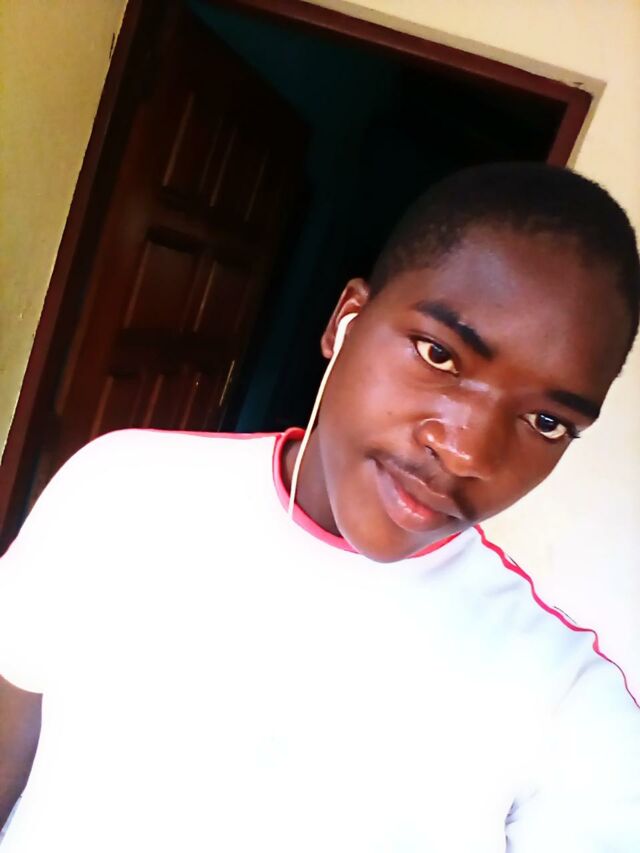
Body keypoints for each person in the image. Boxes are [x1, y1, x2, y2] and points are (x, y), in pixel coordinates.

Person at [0, 162, 639, 851]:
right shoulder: (122, 489)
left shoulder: (565, 699)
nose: (465, 452)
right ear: (346, 320)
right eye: (439, 353)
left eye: (547, 422)